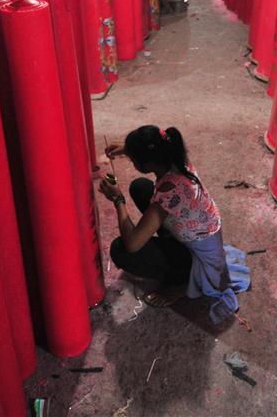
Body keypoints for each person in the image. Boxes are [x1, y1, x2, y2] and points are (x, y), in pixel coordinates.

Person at [100, 125, 250, 324]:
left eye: (133, 160)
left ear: (147, 162)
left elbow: (133, 244)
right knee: (141, 187)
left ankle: (184, 282)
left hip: (200, 259)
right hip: (197, 233)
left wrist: (118, 199)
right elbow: (152, 149)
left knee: (121, 249)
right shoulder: (177, 158)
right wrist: (128, 149)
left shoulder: (170, 191)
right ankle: (175, 255)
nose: (132, 162)